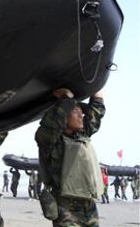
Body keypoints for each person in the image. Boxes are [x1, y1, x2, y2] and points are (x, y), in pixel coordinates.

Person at [35, 88, 105, 227]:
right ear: (63, 115)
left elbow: (95, 115)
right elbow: (51, 123)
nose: (81, 116)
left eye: (81, 112)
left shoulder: (82, 135)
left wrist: (97, 91)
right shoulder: (50, 140)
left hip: (89, 207)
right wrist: (66, 99)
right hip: (66, 208)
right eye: (75, 111)